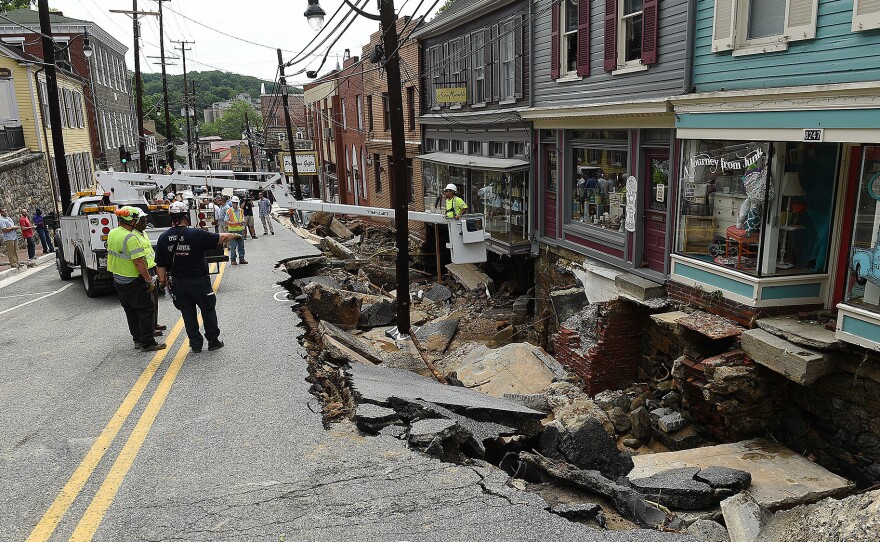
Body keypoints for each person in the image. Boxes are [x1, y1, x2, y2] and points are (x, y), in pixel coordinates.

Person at [156, 201, 241, 352]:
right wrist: (234, 235)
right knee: (208, 310)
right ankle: (213, 341)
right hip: (198, 281)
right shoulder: (195, 234)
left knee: (187, 313)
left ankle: (195, 344)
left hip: (179, 282)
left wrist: (163, 282)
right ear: (186, 216)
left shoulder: (163, 238)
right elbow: (220, 238)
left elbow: (160, 265)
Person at [107, 206, 166, 352]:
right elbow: (138, 262)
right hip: (133, 280)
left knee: (131, 311)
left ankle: (138, 340)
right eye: (136, 218)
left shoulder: (113, 233)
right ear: (132, 220)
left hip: (119, 279)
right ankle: (148, 343)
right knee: (146, 310)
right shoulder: (130, 237)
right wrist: (148, 280)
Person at [225, 196, 247, 265]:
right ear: (232, 203)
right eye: (234, 203)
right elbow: (226, 222)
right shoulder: (229, 211)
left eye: (236, 203)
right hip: (232, 231)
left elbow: (242, 219)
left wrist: (243, 223)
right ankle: (233, 260)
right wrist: (236, 223)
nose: (235, 204)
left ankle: (241, 259)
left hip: (240, 230)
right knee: (233, 247)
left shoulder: (241, 210)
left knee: (241, 246)